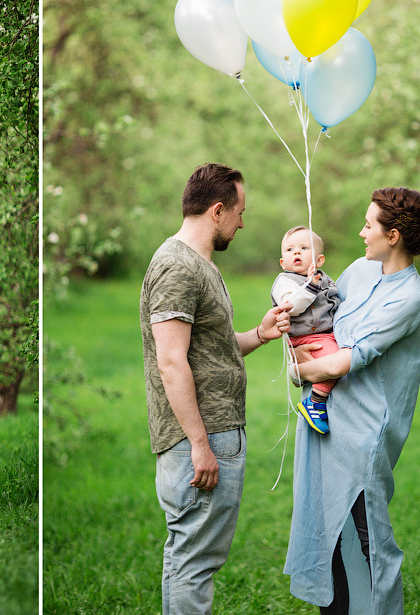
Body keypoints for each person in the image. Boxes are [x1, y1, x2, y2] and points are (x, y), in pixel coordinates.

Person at [139, 163, 292, 614]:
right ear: (218, 210)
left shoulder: (197, 263)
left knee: (185, 557)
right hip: (200, 438)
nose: (243, 223)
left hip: (208, 434)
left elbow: (212, 352)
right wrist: (200, 444)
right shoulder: (177, 266)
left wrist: (260, 334)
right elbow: (171, 362)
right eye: (240, 212)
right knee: (195, 562)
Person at [284, 187, 420, 614]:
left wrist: (298, 370)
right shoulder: (358, 271)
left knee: (368, 539)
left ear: (394, 236)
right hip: (323, 421)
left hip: (363, 433)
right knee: (326, 532)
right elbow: (317, 326)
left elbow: (346, 361)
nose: (361, 231)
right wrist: (297, 348)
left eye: (370, 224)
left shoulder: (410, 297)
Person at [271, 226, 341, 434]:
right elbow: (292, 305)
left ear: (319, 261)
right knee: (334, 361)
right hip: (303, 338)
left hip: (326, 333)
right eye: (290, 249)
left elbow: (334, 299)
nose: (297, 252)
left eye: (304, 247)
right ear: (283, 263)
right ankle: (316, 401)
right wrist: (310, 286)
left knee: (342, 357)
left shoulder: (324, 279)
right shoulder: (284, 282)